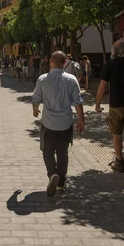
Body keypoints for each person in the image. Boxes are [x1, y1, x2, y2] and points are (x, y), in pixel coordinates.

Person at [32, 51, 84, 197]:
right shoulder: (71, 79)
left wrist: (35, 110)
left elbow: (36, 98)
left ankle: (52, 174)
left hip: (48, 124)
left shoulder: (43, 79)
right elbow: (78, 101)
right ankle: (61, 182)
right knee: (63, 153)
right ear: (64, 63)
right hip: (66, 124)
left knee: (47, 151)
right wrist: (81, 120)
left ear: (50, 62)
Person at [94, 40, 124, 173]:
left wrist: (98, 103)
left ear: (114, 51)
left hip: (116, 104)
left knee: (116, 134)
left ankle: (119, 161)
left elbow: (102, 87)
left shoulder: (109, 65)